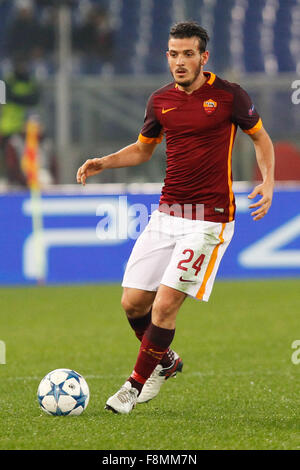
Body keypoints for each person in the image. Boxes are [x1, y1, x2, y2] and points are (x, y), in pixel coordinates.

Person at [76, 21, 275, 414]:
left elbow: (260, 137)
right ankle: (166, 362)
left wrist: (268, 182)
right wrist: (105, 162)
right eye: (173, 54)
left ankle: (134, 386)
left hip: (209, 220)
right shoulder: (160, 101)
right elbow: (142, 149)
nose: (180, 62)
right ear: (166, 56)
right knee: (133, 304)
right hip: (168, 213)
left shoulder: (229, 95)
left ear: (204, 57)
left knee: (165, 306)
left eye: (187, 54)